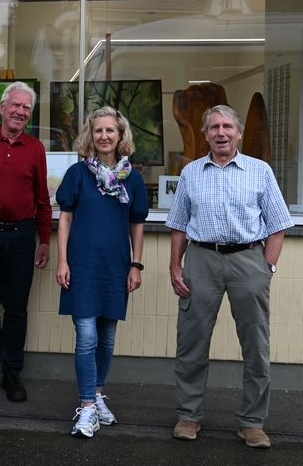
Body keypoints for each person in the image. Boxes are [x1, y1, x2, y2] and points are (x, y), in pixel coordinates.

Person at [166, 105, 293, 449]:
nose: (221, 133)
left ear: (238, 133)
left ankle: (252, 422)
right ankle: (188, 416)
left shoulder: (259, 170)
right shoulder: (191, 172)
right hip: (202, 259)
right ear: (205, 134)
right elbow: (178, 225)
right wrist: (175, 266)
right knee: (192, 341)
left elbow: (279, 224)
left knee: (255, 345)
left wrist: (266, 267)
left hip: (248, 260)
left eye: (227, 127)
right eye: (214, 128)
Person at [55, 107, 148, 438]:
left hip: (115, 266)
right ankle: (88, 407)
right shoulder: (78, 175)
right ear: (90, 136)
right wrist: (62, 261)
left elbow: (137, 223)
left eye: (110, 130)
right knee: (87, 337)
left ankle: (97, 393)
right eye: (98, 131)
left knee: (107, 337)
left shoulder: (132, 178)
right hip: (81, 264)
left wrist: (136, 264)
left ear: (120, 135)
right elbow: (65, 219)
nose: (104, 136)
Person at [0, 80, 52, 402]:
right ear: (2, 108)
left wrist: (44, 240)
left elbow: (41, 196)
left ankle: (12, 372)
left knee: (16, 308)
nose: (20, 111)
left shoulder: (35, 148)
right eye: (15, 105)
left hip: (21, 236)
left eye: (26, 107)